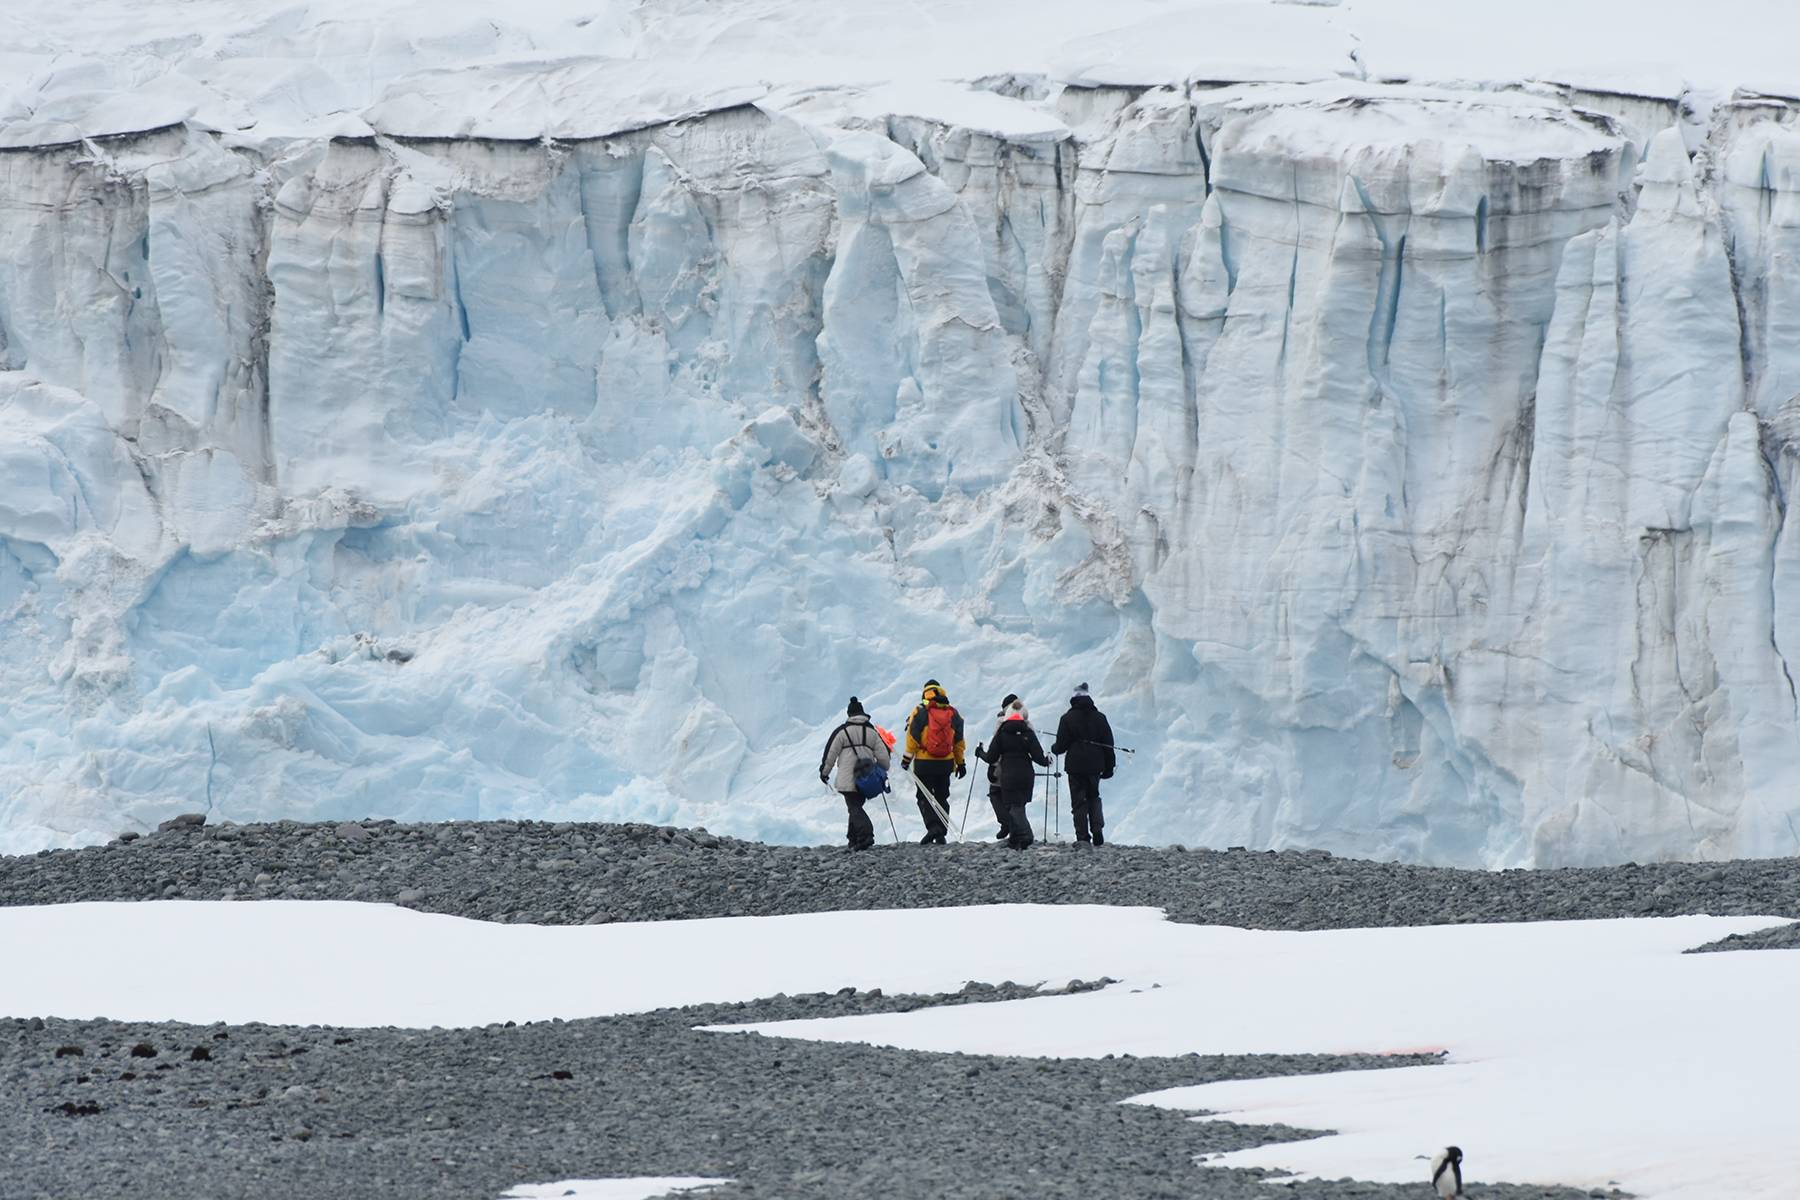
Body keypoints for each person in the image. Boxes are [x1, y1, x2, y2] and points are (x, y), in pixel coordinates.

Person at [976, 698, 1050, 849]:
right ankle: (1015, 839)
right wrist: (1047, 760)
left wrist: (980, 753)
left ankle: (1026, 835)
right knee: (1019, 805)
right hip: (1027, 775)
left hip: (1009, 776)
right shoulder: (1028, 732)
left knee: (1013, 807)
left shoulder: (1002, 733)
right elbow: (1039, 758)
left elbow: (991, 757)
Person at [819, 697, 890, 851]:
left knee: (854, 807)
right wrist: (882, 770)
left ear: (849, 714)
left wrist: (824, 772)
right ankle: (854, 839)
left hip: (847, 778)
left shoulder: (842, 732)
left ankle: (866, 835)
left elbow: (830, 754)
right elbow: (884, 756)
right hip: (866, 777)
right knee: (855, 806)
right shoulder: (872, 732)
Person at [902, 679, 966, 844]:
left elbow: (912, 738)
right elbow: (959, 742)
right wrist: (961, 763)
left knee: (924, 796)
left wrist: (906, 759)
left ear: (925, 694)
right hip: (946, 763)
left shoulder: (920, 711)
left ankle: (933, 828)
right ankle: (941, 832)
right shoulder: (953, 713)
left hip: (924, 763)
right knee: (942, 796)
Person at [1052, 682, 1116, 846]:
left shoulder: (1067, 718)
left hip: (1075, 766)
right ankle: (1097, 830)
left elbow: (1061, 746)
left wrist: (1055, 748)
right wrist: (1109, 766)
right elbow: (1108, 743)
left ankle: (1082, 837)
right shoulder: (1100, 717)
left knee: (1079, 801)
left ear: (1074, 699)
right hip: (1095, 765)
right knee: (1094, 797)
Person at [978, 693, 1020, 840]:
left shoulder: (1002, 722)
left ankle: (1007, 824)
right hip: (1020, 768)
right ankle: (1014, 826)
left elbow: (996, 750)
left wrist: (986, 759)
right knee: (1013, 798)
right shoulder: (1024, 721)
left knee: (996, 793)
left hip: (1003, 767)